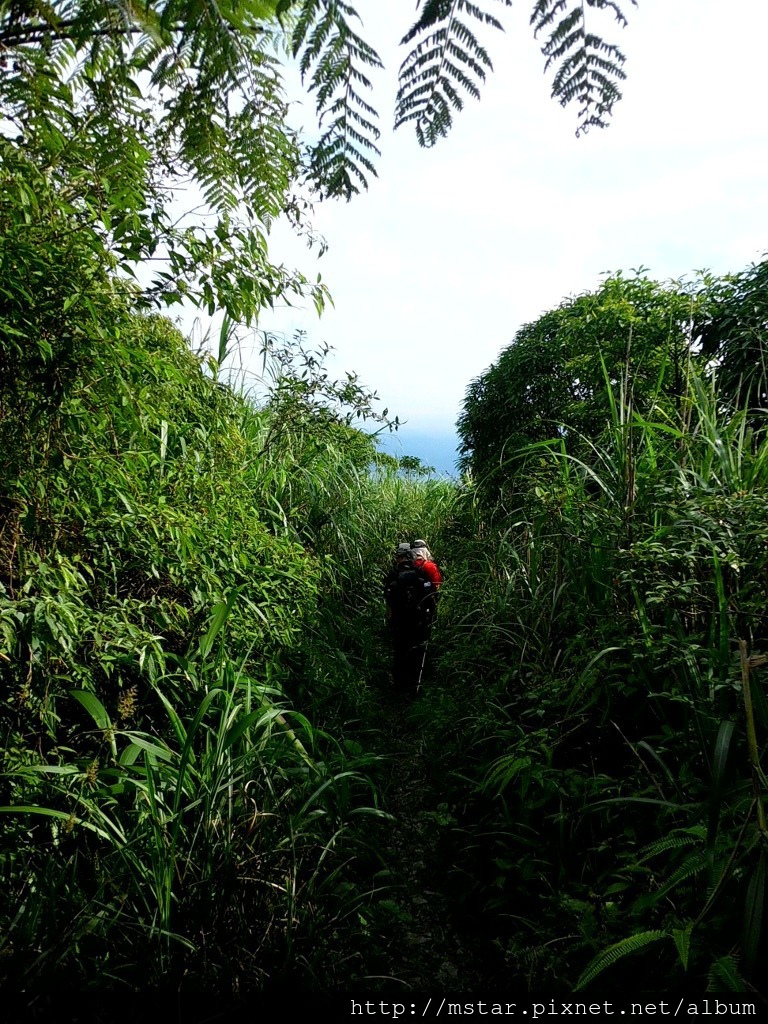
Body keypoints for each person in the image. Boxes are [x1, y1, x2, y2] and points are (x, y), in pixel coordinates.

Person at [383, 543, 436, 694]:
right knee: (415, 652)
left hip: (398, 621)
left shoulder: (393, 574)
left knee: (399, 651)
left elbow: (388, 598)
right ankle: (413, 687)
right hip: (417, 620)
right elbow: (430, 597)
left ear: (398, 557)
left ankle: (398, 686)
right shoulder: (420, 573)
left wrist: (390, 618)